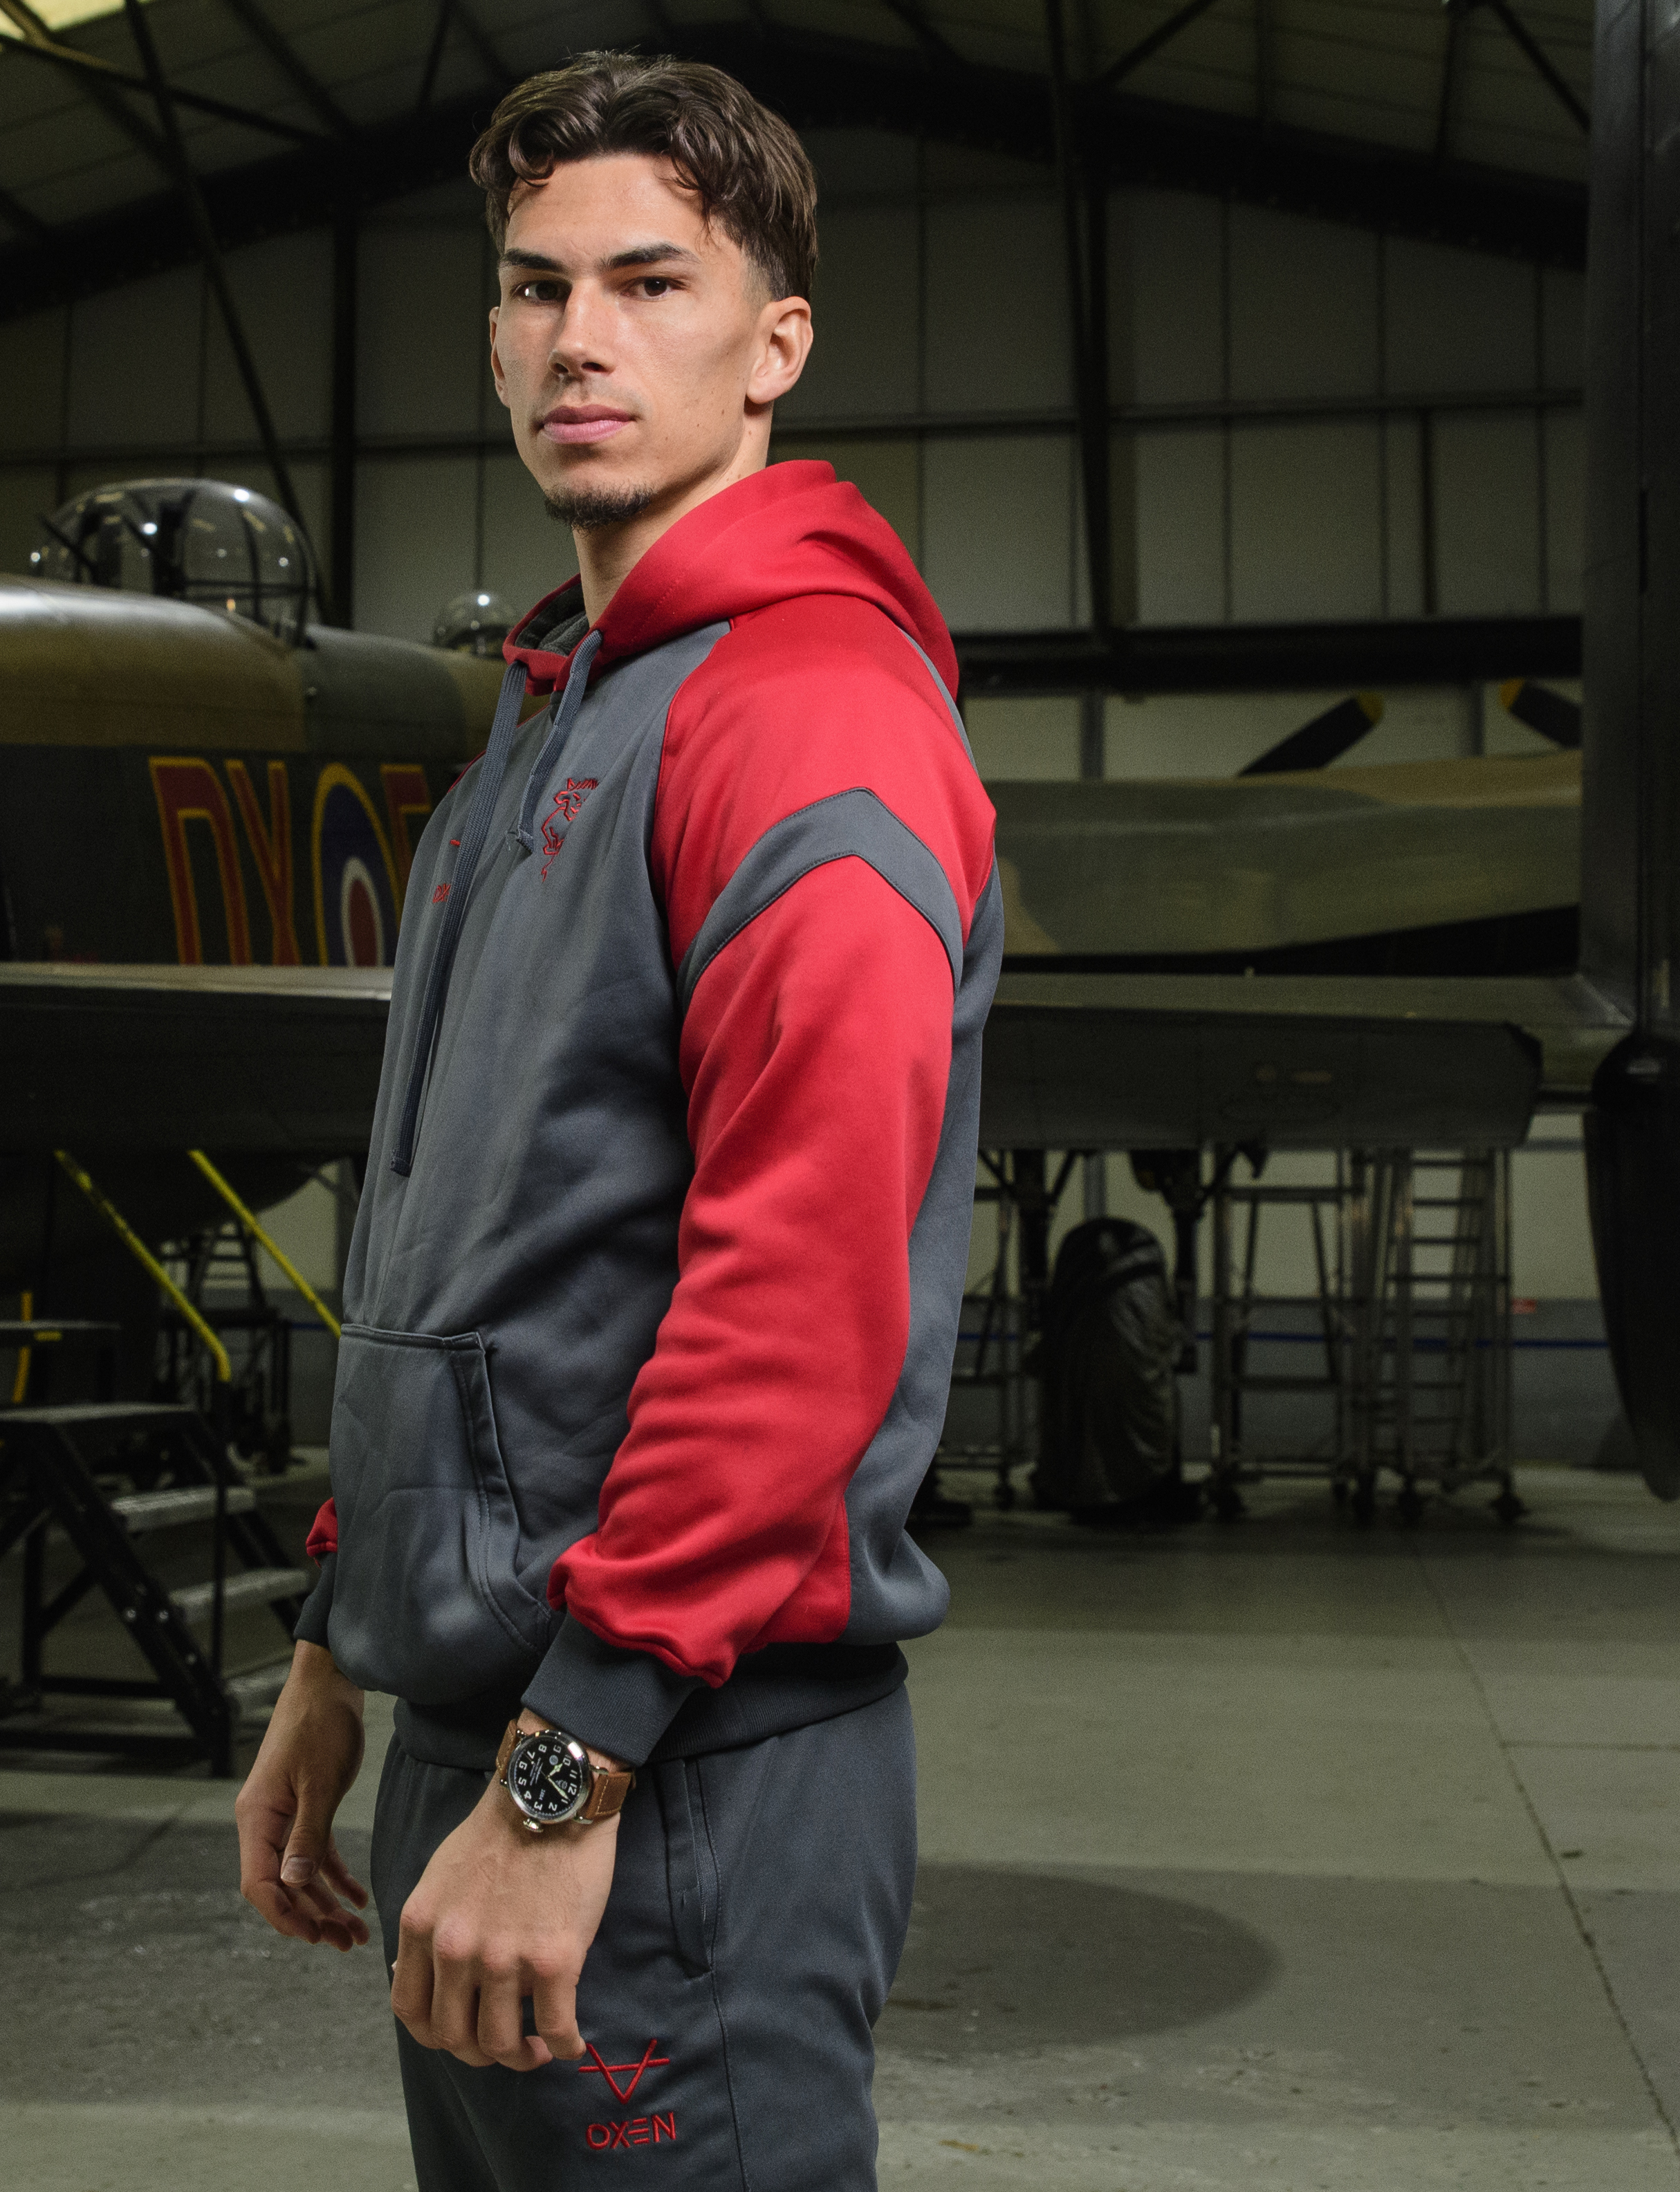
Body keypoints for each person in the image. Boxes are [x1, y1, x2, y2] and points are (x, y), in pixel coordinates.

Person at [235, 50, 1001, 2190]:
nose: (580, 335)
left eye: (651, 282)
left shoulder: (803, 713)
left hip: (669, 1770)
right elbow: (458, 1235)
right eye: (534, 284)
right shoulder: (565, 710)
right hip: (512, 1724)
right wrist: (336, 1638)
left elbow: (803, 1287)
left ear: (776, 345)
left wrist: (565, 1785)